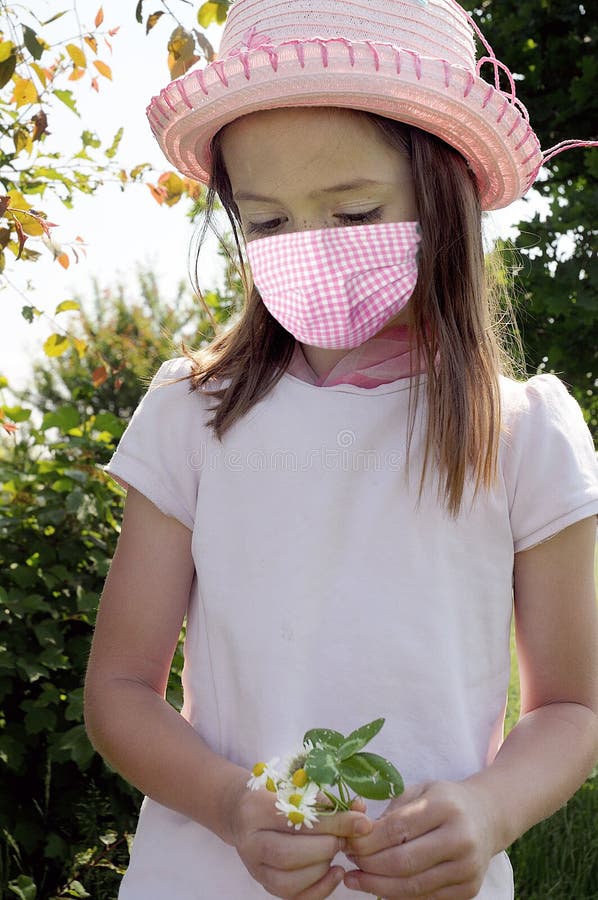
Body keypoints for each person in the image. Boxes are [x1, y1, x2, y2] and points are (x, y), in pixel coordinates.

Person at [84, 1, 598, 898]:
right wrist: (229, 804)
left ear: (445, 196)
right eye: (269, 224)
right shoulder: (190, 419)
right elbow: (121, 690)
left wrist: (493, 811)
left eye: (356, 211)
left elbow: (572, 708)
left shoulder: (525, 437)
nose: (311, 251)